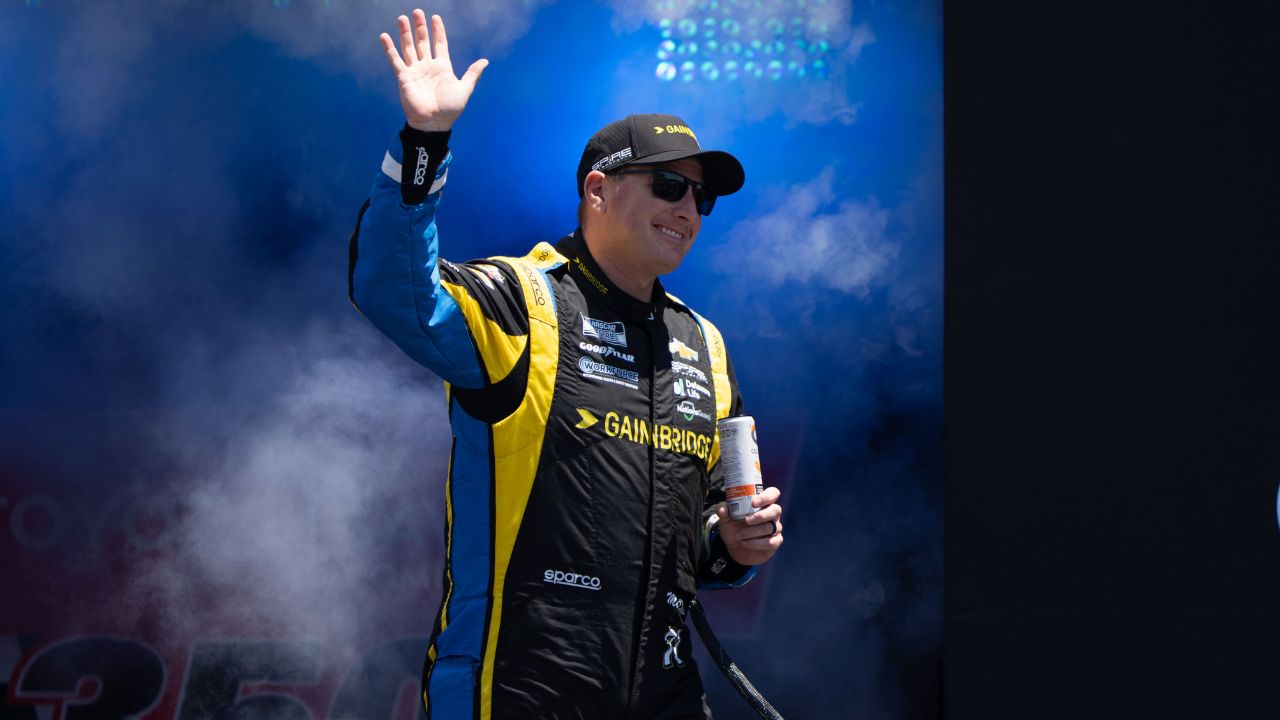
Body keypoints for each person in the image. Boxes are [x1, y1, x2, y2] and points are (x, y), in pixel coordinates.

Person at [348, 9, 784, 719]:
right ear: (598, 190)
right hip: (523, 695)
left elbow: (705, 536)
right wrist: (424, 142)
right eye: (668, 185)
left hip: (666, 698)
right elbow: (392, 291)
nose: (689, 210)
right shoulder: (524, 300)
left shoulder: (705, 343)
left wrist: (733, 542)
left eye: (701, 197)